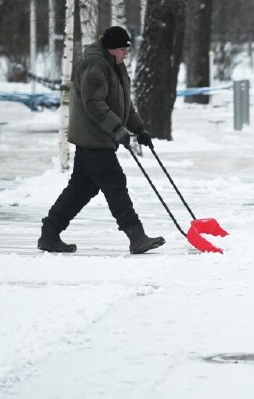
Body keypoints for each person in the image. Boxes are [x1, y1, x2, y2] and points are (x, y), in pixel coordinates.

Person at [37, 26, 165, 254]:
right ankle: (136, 236)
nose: (127, 53)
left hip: (98, 137)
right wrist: (117, 128)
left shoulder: (115, 65)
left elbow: (124, 102)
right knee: (115, 183)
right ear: (112, 48)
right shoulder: (94, 65)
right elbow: (94, 104)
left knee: (81, 188)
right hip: (93, 137)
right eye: (124, 49)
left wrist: (139, 128)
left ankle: (50, 232)